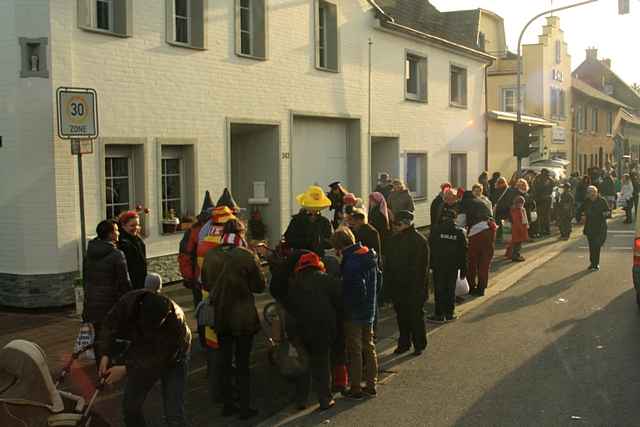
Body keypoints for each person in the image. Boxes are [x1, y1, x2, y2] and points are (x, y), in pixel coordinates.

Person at [201, 219, 266, 419]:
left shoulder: (210, 255)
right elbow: (259, 287)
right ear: (241, 233)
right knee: (243, 363)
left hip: (220, 315)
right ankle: (245, 407)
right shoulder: (246, 256)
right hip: (243, 315)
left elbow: (205, 283)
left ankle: (228, 405)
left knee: (224, 361)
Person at [98, 290, 191, 427]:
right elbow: (109, 325)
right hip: (142, 351)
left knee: (174, 414)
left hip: (174, 359)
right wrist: (105, 354)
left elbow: (160, 359)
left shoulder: (176, 324)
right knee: (130, 408)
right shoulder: (128, 302)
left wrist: (126, 369)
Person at [287, 251, 343, 410]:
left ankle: (301, 400)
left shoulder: (294, 284)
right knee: (322, 364)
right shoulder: (326, 280)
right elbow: (339, 299)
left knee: (302, 365)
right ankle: (325, 399)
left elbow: (289, 308)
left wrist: (291, 334)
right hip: (322, 329)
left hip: (299, 330)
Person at [331, 228, 378, 399]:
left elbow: (357, 288)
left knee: (355, 350)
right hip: (369, 309)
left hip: (354, 312)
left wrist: (347, 305)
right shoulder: (367, 254)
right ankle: (372, 384)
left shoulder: (351, 262)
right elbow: (377, 281)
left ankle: (356, 386)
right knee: (369, 346)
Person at [83, 220, 132, 365]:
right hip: (111, 303)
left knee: (99, 337)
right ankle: (111, 368)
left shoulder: (89, 254)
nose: (118, 233)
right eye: (116, 230)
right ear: (111, 234)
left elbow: (86, 279)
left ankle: (101, 367)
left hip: (93, 303)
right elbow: (124, 282)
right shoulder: (117, 254)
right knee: (113, 335)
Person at [386, 211, 429, 356]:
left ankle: (419, 344)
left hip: (414, 287)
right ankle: (404, 343)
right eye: (394, 224)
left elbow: (421, 268)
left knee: (415, 317)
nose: (395, 227)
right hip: (399, 286)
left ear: (406, 223)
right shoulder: (394, 240)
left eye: (398, 224)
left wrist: (419, 289)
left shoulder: (419, 241)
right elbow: (389, 263)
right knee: (401, 317)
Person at [427, 208, 468, 323]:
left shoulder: (436, 230)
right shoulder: (459, 232)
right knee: (450, 289)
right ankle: (450, 313)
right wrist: (464, 268)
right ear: (455, 219)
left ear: (443, 217)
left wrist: (430, 265)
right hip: (453, 266)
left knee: (439, 289)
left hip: (438, 265)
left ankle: (439, 314)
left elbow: (430, 248)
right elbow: (463, 251)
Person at [178, 191, 214, 307]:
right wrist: (189, 277)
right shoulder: (194, 232)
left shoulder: (193, 231)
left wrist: (188, 277)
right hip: (203, 277)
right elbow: (185, 255)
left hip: (201, 278)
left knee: (202, 310)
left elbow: (184, 256)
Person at [459, 189, 495, 297]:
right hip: (489, 230)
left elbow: (461, 222)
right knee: (484, 261)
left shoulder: (465, 204)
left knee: (472, 261)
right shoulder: (482, 202)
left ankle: (471, 286)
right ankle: (482, 287)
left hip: (476, 233)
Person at [285, 185, 333, 258]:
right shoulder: (297, 220)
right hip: (300, 259)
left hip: (318, 259)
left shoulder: (324, 222)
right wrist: (307, 241)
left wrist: (320, 241)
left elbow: (330, 242)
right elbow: (289, 239)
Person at [117, 211, 147, 290]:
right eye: (132, 225)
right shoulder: (123, 243)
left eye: (137, 225)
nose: (136, 228)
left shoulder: (136, 238)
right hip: (132, 283)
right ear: (123, 226)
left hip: (140, 280)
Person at [581, 186, 609, 271]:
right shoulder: (587, 201)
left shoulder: (602, 201)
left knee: (596, 245)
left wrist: (604, 214)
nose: (591, 194)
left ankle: (596, 263)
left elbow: (608, 212)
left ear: (596, 193)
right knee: (591, 246)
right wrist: (581, 216)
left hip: (600, 227)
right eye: (589, 192)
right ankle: (592, 263)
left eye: (592, 192)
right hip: (589, 226)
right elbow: (581, 210)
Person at [532, 169, 555, 236]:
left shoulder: (539, 179)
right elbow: (535, 188)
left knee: (543, 215)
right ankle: (544, 230)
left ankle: (544, 230)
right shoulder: (541, 179)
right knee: (543, 215)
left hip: (544, 199)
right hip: (542, 199)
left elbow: (534, 188)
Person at [506, 196, 529, 262]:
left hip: (517, 229)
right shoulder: (517, 210)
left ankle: (509, 254)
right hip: (517, 229)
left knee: (513, 243)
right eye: (519, 203)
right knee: (517, 244)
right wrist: (521, 229)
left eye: (522, 203)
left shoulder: (518, 209)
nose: (521, 204)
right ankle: (515, 256)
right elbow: (517, 221)